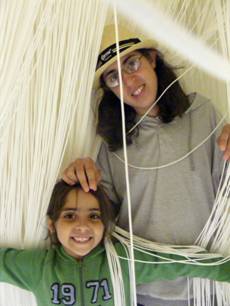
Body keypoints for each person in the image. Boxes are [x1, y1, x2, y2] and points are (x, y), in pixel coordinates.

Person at [62, 24, 230, 305]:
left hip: (210, 285)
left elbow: (225, 191)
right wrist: (76, 179)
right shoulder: (112, 146)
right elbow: (97, 217)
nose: (128, 82)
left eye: (132, 63)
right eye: (113, 78)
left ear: (152, 59)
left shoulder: (202, 113)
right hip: (144, 292)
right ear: (109, 91)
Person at [1, 180, 230, 306]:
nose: (83, 226)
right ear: (52, 224)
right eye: (70, 216)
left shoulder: (121, 261)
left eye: (94, 216)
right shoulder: (39, 267)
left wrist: (224, 269)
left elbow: (174, 262)